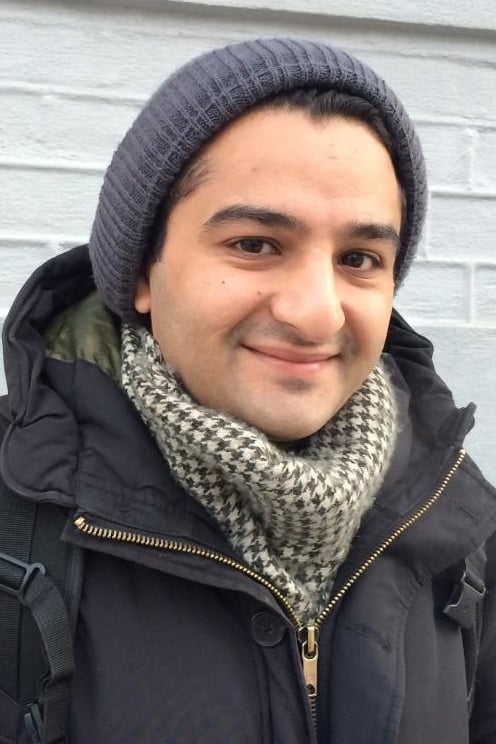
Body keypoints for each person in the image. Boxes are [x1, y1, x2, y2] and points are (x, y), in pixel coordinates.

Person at [0, 37, 495, 744]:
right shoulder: (18, 521)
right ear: (141, 272)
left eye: (360, 258)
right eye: (255, 244)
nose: (317, 313)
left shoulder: (459, 523)